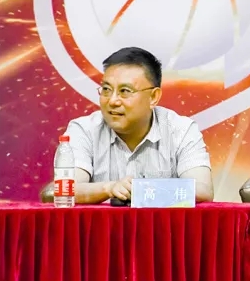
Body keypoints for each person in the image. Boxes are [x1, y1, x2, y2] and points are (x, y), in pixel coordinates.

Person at [64, 47, 214, 204]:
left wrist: (142, 189)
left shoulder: (181, 129)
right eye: (106, 89)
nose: (112, 101)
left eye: (125, 91)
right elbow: (61, 190)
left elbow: (203, 190)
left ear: (153, 97)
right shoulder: (84, 130)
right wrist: (109, 188)